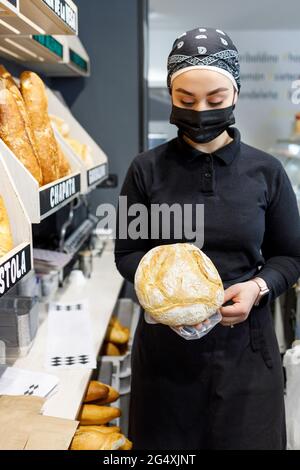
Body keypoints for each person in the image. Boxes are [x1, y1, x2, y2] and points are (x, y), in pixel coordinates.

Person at [114, 27, 300, 450]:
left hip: (247, 356)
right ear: (171, 96)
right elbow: (126, 252)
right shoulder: (146, 170)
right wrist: (163, 287)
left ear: (235, 93)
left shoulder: (266, 172)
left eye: (215, 100)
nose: (200, 110)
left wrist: (257, 288)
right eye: (186, 100)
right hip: (165, 360)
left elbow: (290, 256)